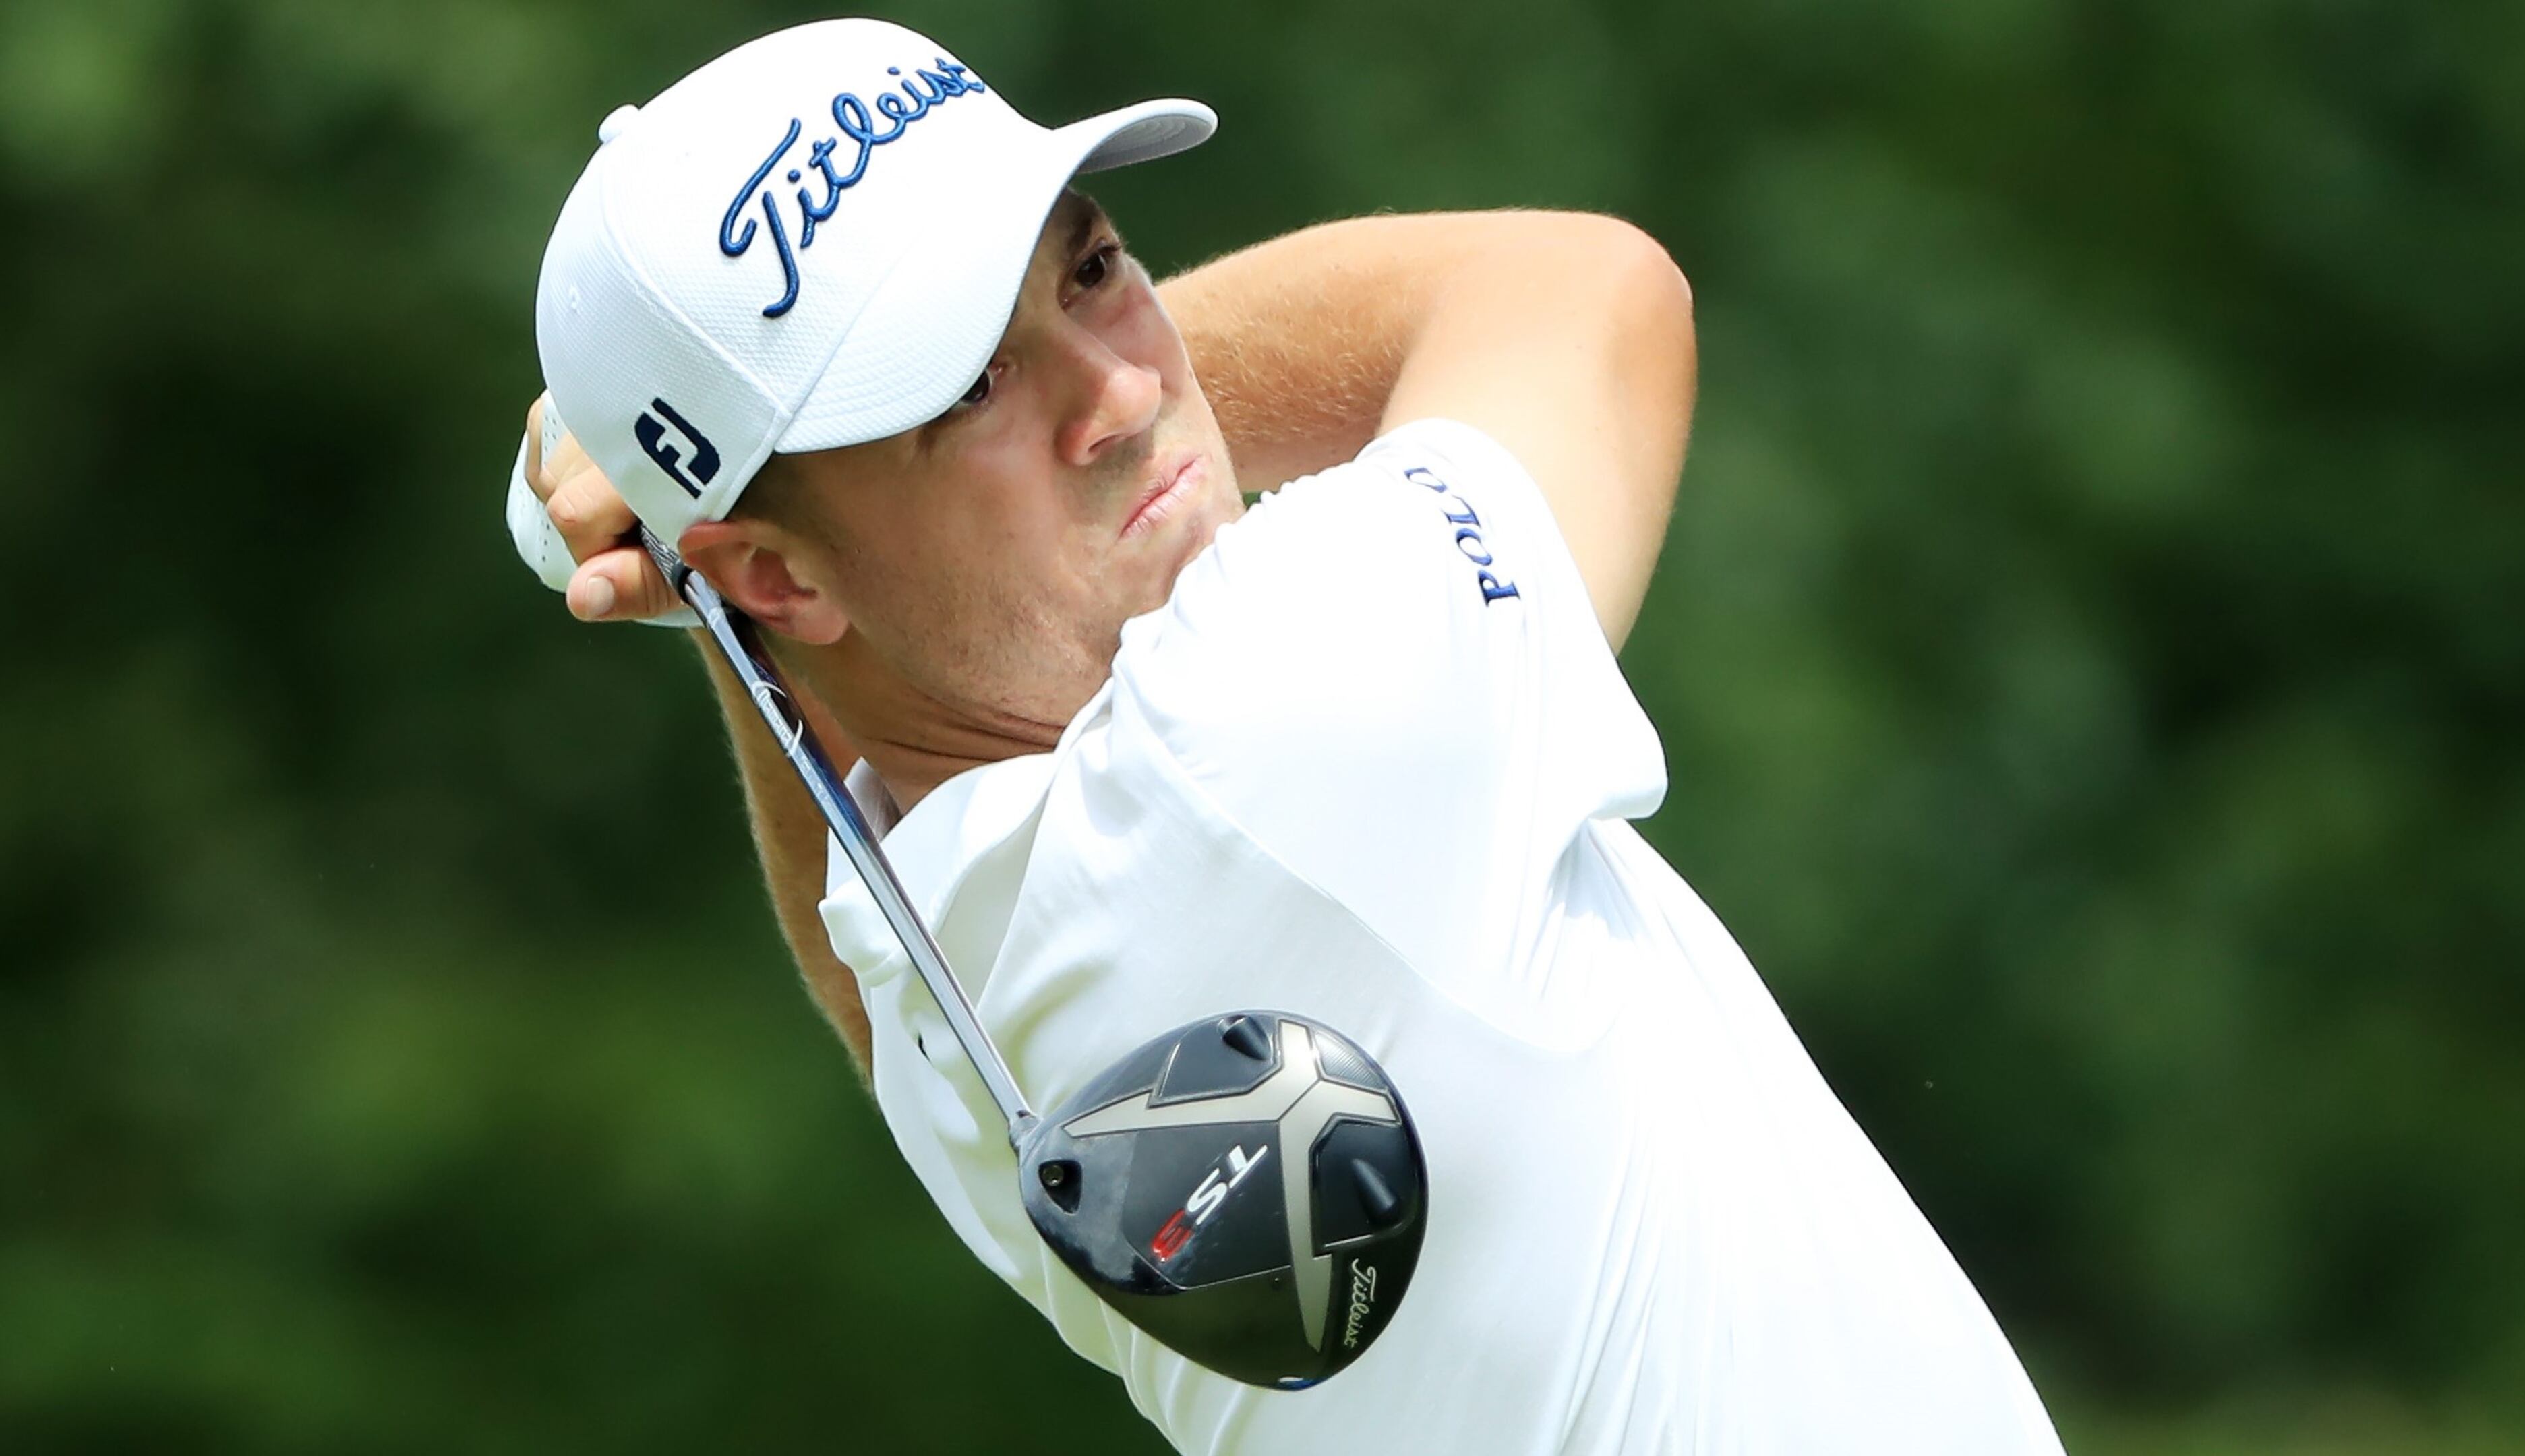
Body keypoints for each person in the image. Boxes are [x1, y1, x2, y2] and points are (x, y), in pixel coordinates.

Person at [508, 16, 2068, 1454]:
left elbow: (865, 955)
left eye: (1094, 268)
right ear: (781, 573)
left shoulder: (954, 986)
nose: (1125, 385)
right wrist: (718, 543)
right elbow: (1588, 290)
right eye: (970, 382)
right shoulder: (1274, 720)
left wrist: (733, 596)